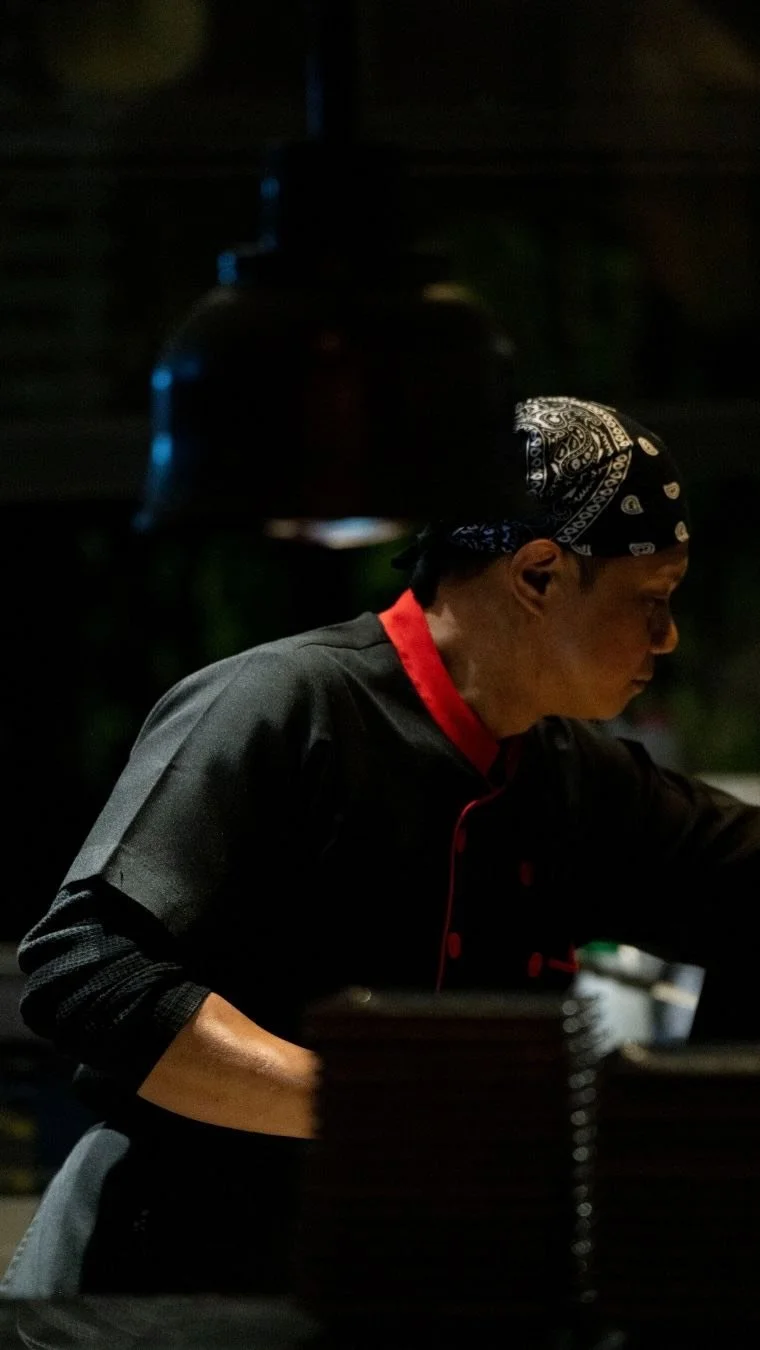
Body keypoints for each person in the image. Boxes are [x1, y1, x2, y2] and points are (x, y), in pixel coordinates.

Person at [3, 395, 759, 1298]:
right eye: (653, 600)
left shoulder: (570, 778)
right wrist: (374, 1109)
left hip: (378, 1285)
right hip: (158, 1278)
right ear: (538, 575)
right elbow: (85, 969)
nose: (668, 637)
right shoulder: (286, 705)